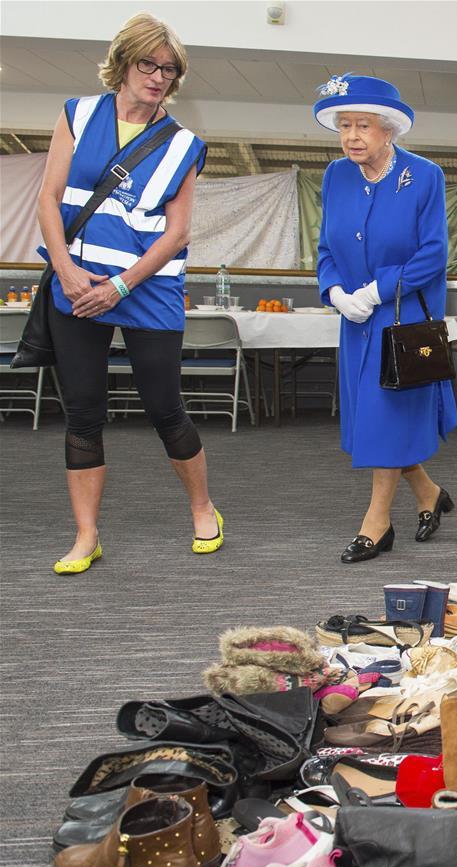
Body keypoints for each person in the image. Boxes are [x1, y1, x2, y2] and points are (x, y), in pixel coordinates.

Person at [38, 12, 223, 574]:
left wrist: (121, 284)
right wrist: (69, 274)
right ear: (123, 63)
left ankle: (203, 507)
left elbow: (179, 232)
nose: (158, 76)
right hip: (78, 285)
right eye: (148, 63)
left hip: (146, 289)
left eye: (169, 69)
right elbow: (49, 200)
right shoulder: (79, 114)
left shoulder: (185, 143)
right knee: (84, 412)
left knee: (165, 407)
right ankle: (86, 534)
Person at [314, 75, 457, 563]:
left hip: (399, 316)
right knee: (379, 417)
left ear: (390, 129)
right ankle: (428, 493)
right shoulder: (335, 175)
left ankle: (377, 523)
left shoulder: (424, 176)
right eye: (345, 125)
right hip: (355, 317)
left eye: (364, 126)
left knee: (383, 413)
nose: (353, 136)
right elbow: (325, 247)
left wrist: (377, 289)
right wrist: (335, 291)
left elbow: (434, 254)